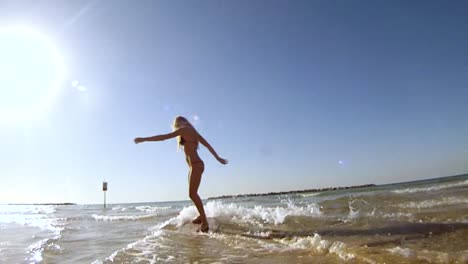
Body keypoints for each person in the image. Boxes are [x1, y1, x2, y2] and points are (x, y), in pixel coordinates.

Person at [134, 116, 228, 232]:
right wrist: (218, 158)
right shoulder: (193, 131)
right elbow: (207, 145)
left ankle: (204, 222)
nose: (177, 127)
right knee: (193, 194)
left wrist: (144, 139)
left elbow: (163, 137)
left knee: (192, 194)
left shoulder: (185, 130)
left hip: (196, 165)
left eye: (176, 124)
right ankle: (201, 216)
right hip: (194, 166)